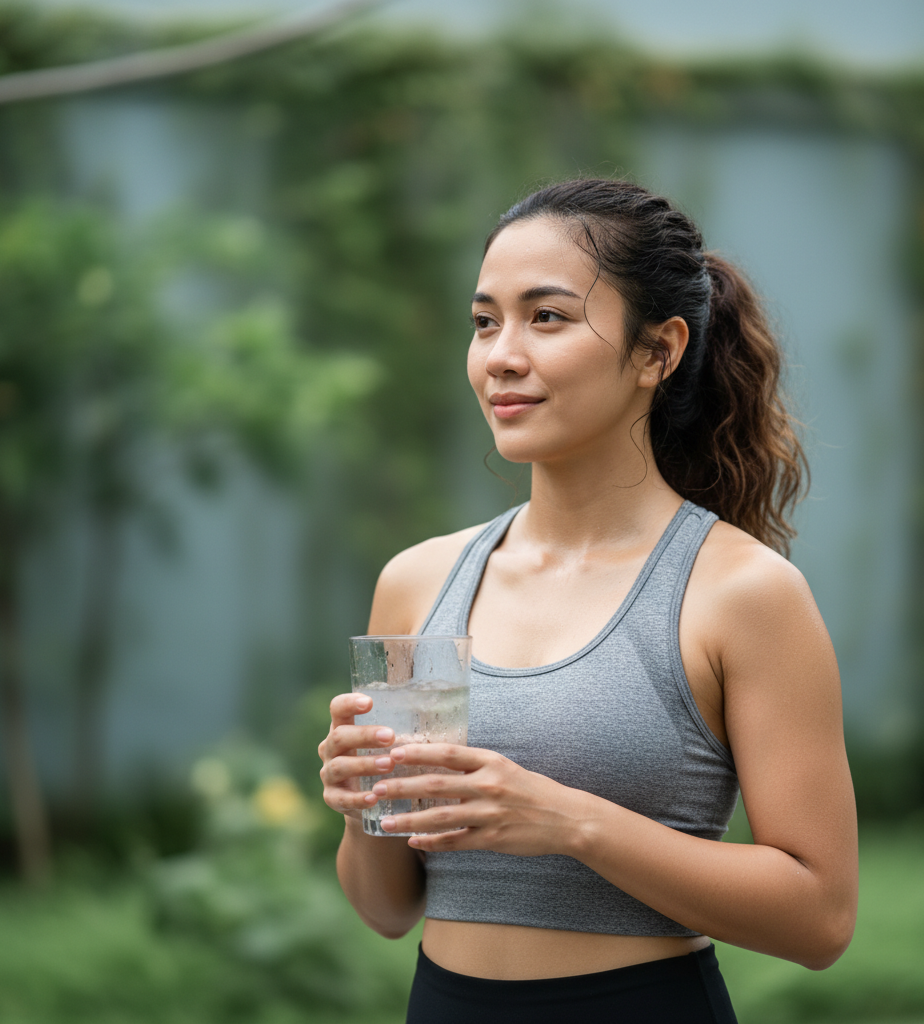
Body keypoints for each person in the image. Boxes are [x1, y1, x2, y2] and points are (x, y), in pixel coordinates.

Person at [318, 178, 858, 1023]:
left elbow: (821, 919)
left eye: (548, 317)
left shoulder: (742, 593)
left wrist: (566, 821)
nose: (500, 353)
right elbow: (387, 909)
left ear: (658, 351)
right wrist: (361, 812)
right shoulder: (418, 581)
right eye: (485, 320)